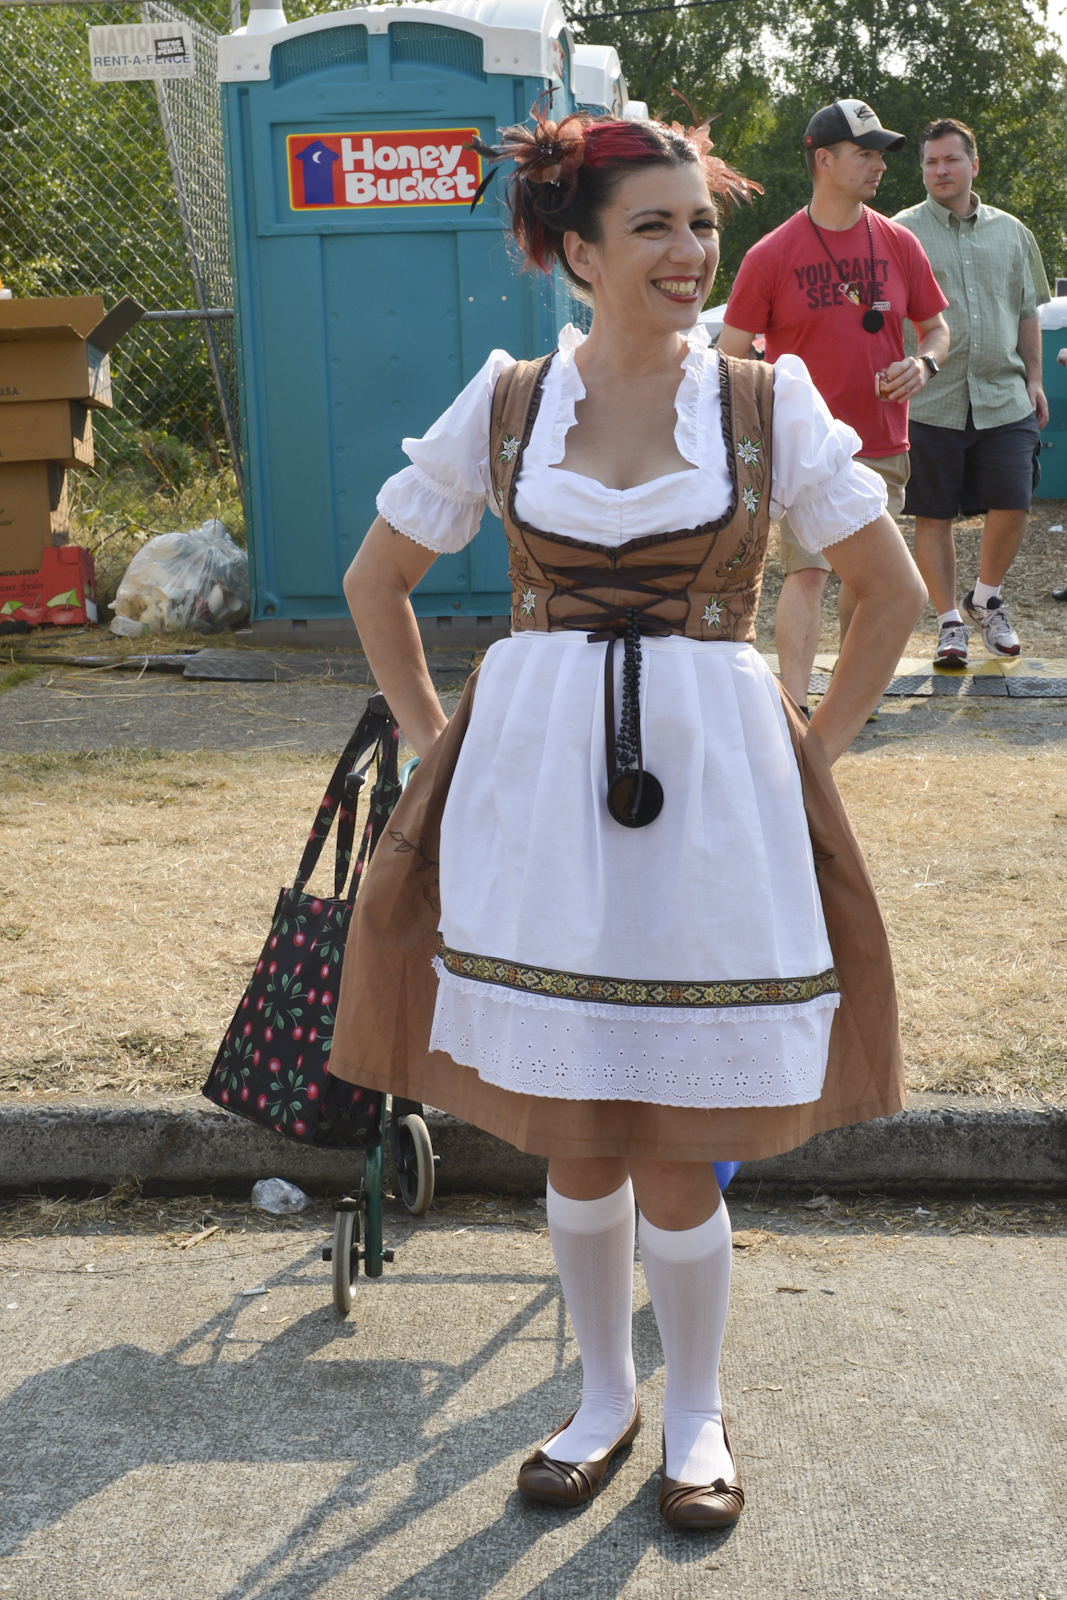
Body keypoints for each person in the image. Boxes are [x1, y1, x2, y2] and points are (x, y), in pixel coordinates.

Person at [328, 106, 925, 1529]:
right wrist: (439, 745)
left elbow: (890, 592)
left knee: (674, 1137)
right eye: (651, 224)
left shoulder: (761, 402)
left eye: (700, 223)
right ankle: (600, 1398)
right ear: (576, 251)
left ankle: (695, 1413)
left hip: (710, 798)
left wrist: (806, 756)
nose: (687, 250)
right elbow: (373, 581)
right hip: (538, 800)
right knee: (576, 1134)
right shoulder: (509, 401)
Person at [719, 100, 949, 708]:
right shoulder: (770, 255)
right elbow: (729, 358)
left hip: (883, 441)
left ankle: (848, 696)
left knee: (870, 580)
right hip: (805, 448)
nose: (879, 165)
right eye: (865, 153)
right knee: (809, 570)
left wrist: (923, 364)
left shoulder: (900, 242)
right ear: (824, 160)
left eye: (880, 154)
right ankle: (795, 708)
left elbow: (936, 330)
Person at [894, 117, 1050, 665]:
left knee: (1014, 502)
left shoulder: (1013, 233)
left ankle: (985, 599)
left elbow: (1027, 311)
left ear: (973, 165)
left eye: (951, 159)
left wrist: (1034, 379)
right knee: (933, 516)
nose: (940, 170)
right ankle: (948, 624)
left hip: (1004, 394)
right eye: (930, 161)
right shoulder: (899, 233)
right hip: (929, 401)